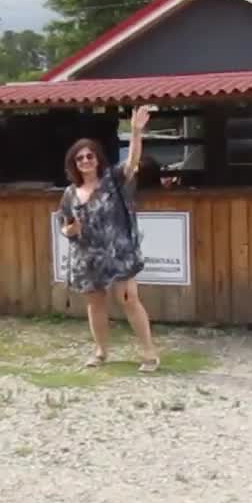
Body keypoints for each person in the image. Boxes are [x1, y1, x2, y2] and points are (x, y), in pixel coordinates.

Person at [58, 105, 160, 372]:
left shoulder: (113, 179)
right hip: (87, 257)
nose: (85, 161)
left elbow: (133, 163)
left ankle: (149, 353)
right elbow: (63, 225)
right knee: (96, 304)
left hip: (119, 255)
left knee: (128, 300)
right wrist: (69, 231)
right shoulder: (70, 193)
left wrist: (136, 132)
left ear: (97, 158)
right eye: (79, 158)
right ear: (74, 164)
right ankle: (101, 352)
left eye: (90, 156)